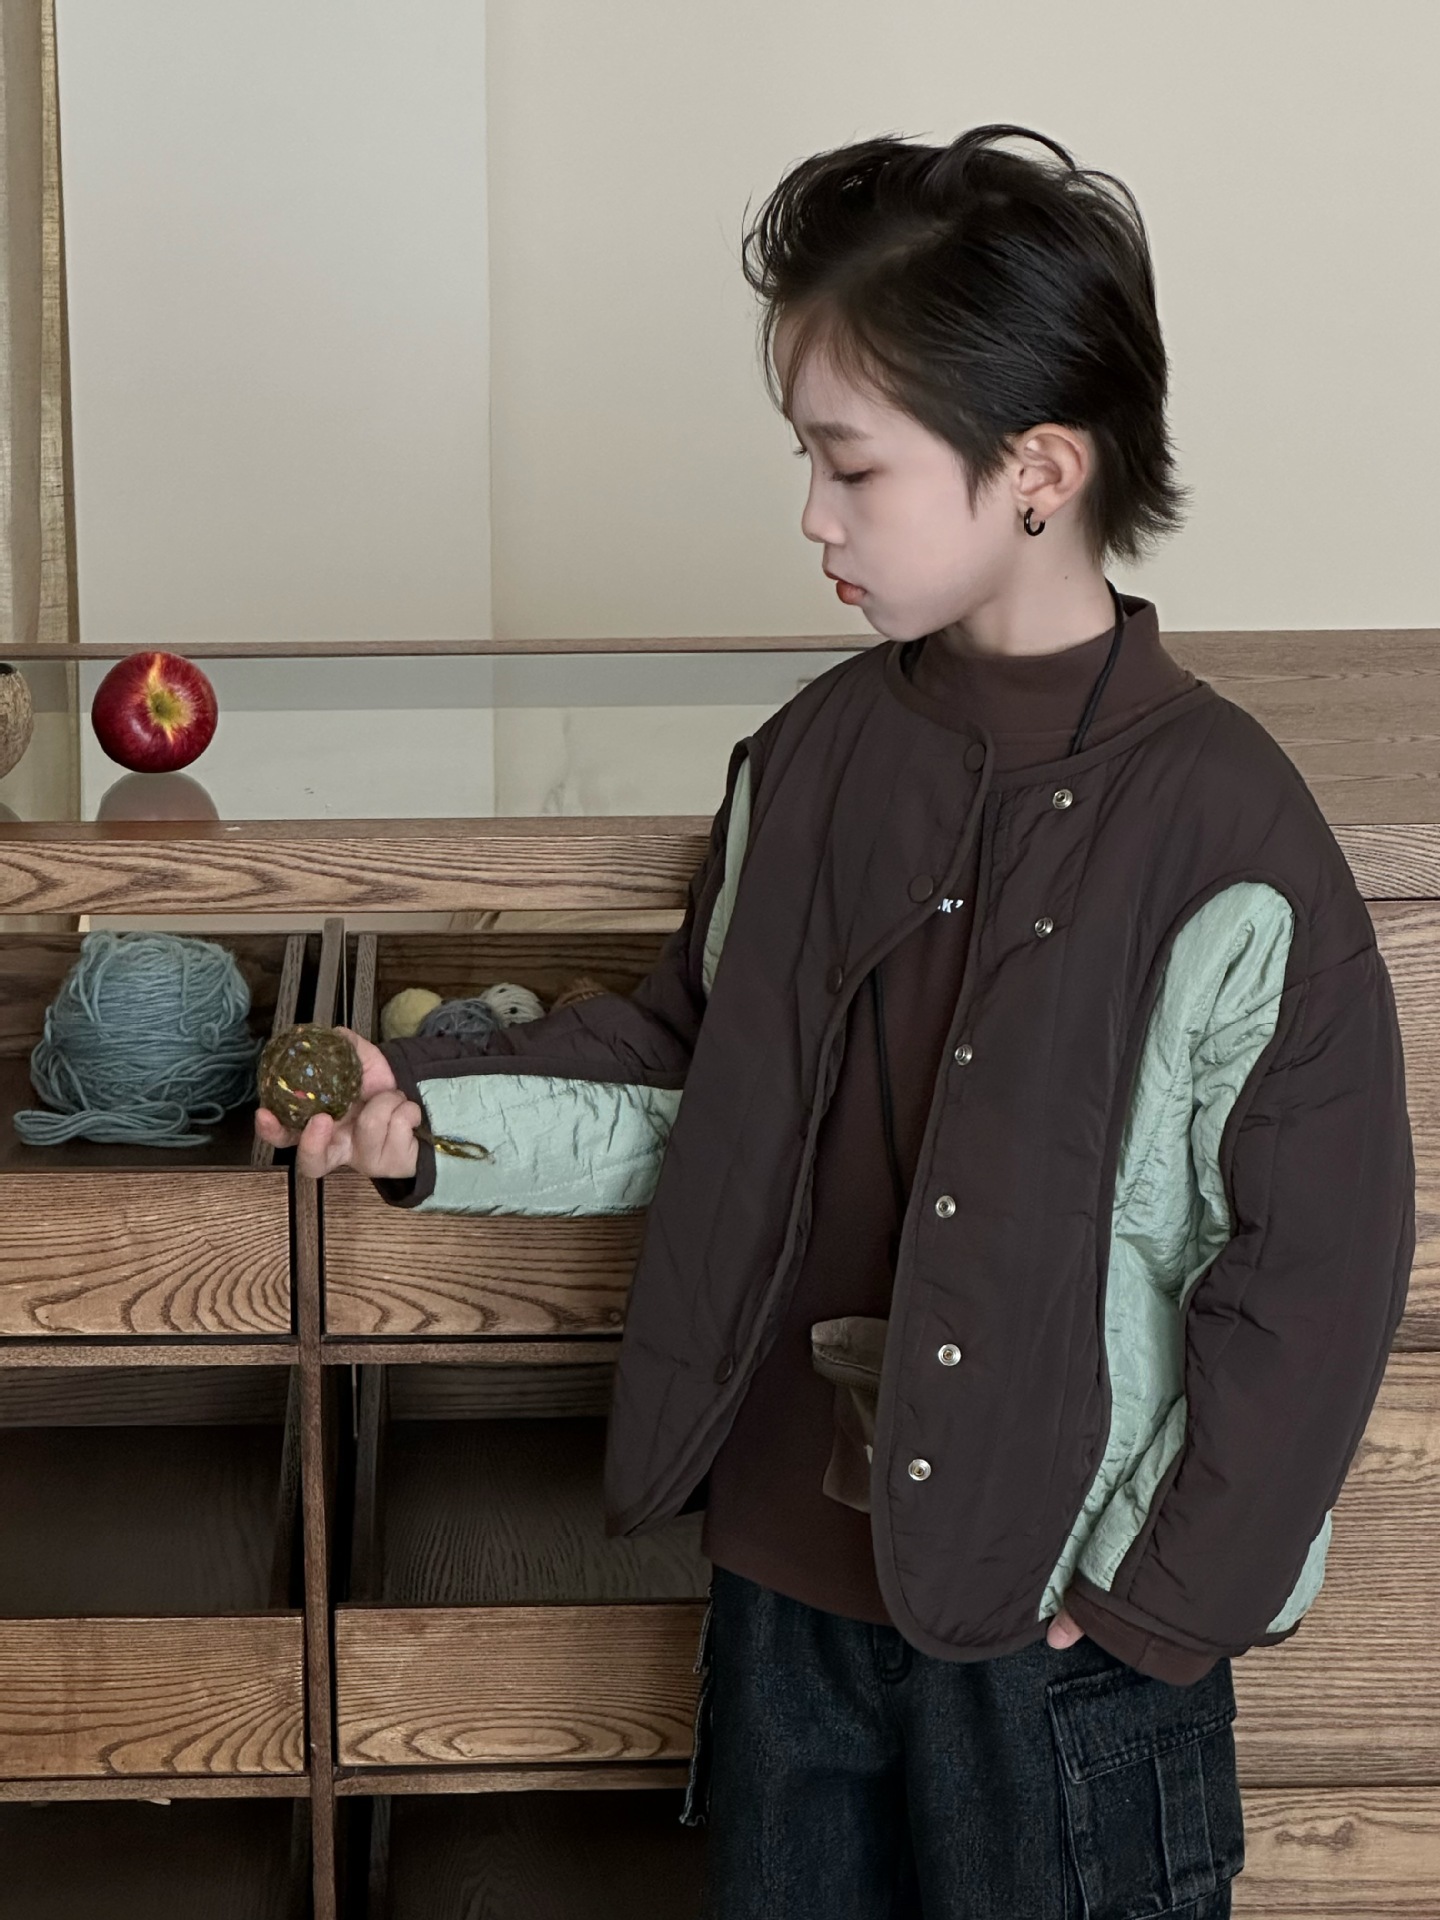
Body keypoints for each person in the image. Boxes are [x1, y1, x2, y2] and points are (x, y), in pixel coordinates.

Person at [257, 123, 1416, 1919]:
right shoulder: (809, 759)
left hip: (1060, 1634)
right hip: (786, 1602)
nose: (812, 514)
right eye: (806, 458)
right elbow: (690, 1067)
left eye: (850, 465)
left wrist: (1160, 1601)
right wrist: (425, 1109)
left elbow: (1318, 1273)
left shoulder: (1232, 838)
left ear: (1037, 471)